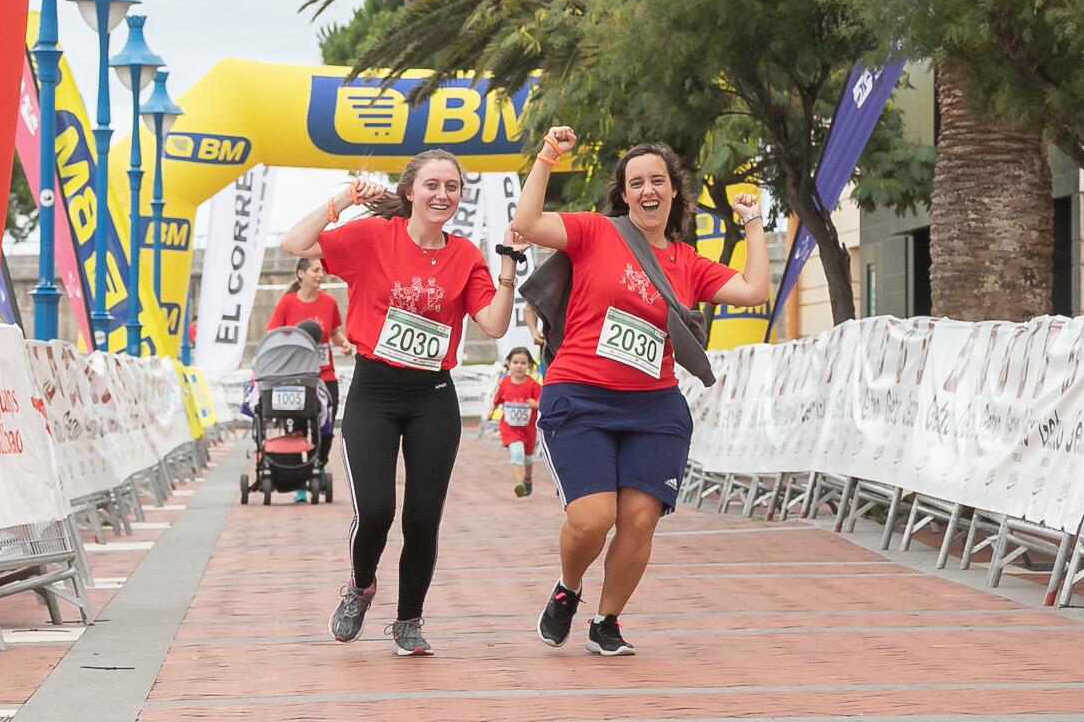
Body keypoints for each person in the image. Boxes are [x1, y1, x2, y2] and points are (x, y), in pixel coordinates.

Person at [509, 126, 769, 657]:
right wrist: (547, 157)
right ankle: (568, 588)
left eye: (658, 180)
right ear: (623, 194)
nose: (648, 190)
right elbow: (526, 223)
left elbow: (754, 289)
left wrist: (754, 222)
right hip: (580, 397)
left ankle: (607, 621)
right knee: (593, 516)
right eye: (636, 183)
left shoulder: (689, 263)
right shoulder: (595, 232)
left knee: (640, 518)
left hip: (654, 408)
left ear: (674, 191)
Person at [279, 152, 518, 657]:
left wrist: (507, 267)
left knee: (422, 519)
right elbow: (293, 244)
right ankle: (361, 586)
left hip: (432, 397)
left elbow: (494, 324)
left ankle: (409, 620)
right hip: (374, 393)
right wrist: (344, 199)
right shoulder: (372, 239)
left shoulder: (465, 255)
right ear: (411, 192)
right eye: (432, 185)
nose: (443, 195)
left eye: (452, 187)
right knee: (377, 510)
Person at [265, 259, 348, 468]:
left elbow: (335, 332)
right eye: (315, 270)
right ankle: (299, 473)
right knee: (297, 426)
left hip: (324, 374)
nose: (321, 274)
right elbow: (272, 334)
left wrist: (345, 344)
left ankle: (319, 462)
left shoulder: (329, 303)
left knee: (327, 423)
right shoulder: (287, 302)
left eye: (322, 270)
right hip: (296, 375)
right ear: (301, 274)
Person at [493, 346, 543, 496]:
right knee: (517, 453)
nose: (519, 366)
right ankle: (519, 484)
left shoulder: (534, 385)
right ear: (508, 363)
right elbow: (497, 399)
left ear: (529, 365)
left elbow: (543, 402)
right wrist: (491, 410)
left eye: (523, 363)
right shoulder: (504, 382)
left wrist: (536, 404)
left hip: (527, 430)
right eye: (515, 362)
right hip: (510, 428)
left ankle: (527, 478)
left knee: (527, 458)